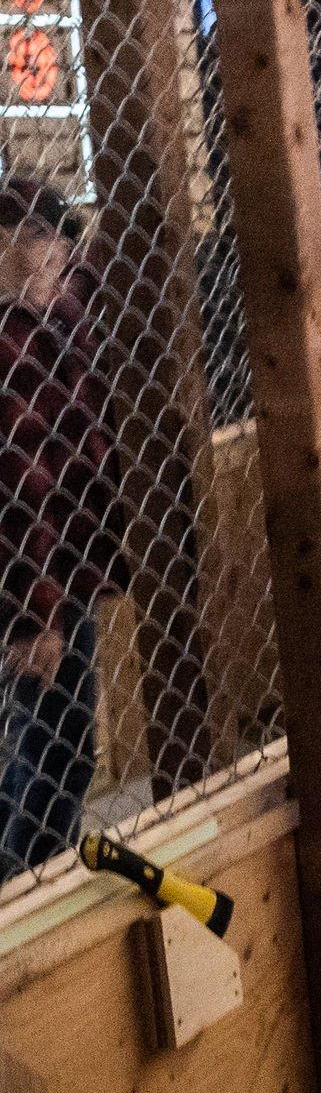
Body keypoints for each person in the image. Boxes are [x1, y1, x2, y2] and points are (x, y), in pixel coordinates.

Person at [0, 180, 114, 878]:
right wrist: (36, 611)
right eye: (43, 239)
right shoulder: (12, 341)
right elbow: (19, 488)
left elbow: (89, 274)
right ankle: (29, 892)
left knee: (52, 744)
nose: (58, 258)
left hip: (56, 572)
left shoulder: (50, 316)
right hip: (33, 585)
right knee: (54, 752)